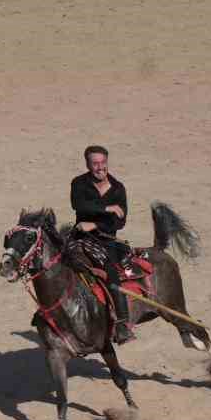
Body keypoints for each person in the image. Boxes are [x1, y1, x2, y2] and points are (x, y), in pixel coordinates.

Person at [69, 144, 133, 344]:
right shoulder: (79, 183)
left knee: (110, 272)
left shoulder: (118, 188)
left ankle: (122, 324)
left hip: (106, 241)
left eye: (103, 162)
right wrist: (107, 208)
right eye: (95, 163)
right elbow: (79, 205)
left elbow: (120, 222)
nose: (100, 167)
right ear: (88, 164)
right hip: (79, 238)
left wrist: (93, 223)